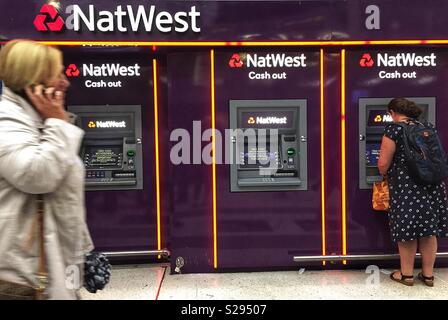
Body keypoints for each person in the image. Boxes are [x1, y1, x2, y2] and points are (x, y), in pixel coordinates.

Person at [0, 40, 93, 299]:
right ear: (33, 80)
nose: (65, 82)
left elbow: (63, 198)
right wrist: (57, 122)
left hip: (50, 269)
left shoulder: (39, 122)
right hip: (20, 282)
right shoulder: (6, 121)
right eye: (57, 74)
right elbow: (37, 176)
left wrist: (86, 252)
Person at [378, 98, 448, 287]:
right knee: (428, 230)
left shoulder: (394, 129)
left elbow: (383, 163)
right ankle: (428, 275)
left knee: (407, 231)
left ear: (392, 112)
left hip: (407, 187)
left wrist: (383, 173)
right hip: (432, 185)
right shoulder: (427, 127)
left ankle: (406, 275)